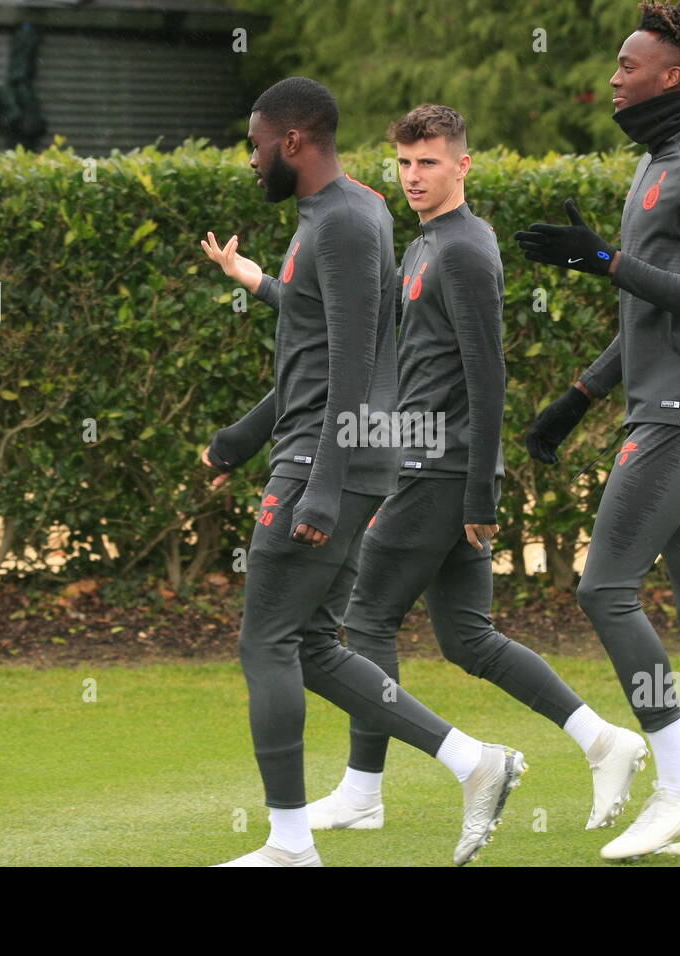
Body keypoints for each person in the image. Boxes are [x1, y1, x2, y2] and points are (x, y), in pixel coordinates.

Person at [199, 77, 524, 867]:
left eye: (255, 144)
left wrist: (321, 483)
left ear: (295, 142)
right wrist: (238, 441)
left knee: (266, 641)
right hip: (334, 454)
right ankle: (472, 761)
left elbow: (352, 363)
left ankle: (288, 845)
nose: (252, 161)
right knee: (310, 644)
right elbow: (313, 351)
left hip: (325, 458)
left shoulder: (344, 219)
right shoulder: (344, 214)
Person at [299, 104, 649, 836]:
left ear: (463, 164)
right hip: (429, 466)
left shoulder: (462, 249)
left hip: (441, 470)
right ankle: (603, 740)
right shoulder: (427, 245)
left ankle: (363, 794)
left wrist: (481, 490)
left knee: (365, 619)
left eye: (428, 162)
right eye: (403, 162)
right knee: (466, 637)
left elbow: (490, 378)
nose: (413, 176)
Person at [516, 1, 680, 860]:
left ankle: (678, 785)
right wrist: (579, 396)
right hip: (668, 405)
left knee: (605, 590)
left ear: (671, 76)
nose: (614, 76)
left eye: (629, 65)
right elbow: (647, 308)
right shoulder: (655, 165)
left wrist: (602, 259)